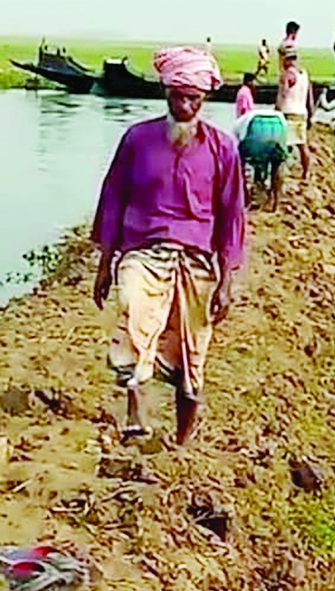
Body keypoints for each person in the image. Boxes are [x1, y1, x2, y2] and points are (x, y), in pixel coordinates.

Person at [91, 46, 245, 446]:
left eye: (193, 98)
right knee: (134, 318)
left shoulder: (222, 148)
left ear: (204, 99)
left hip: (196, 262)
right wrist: (105, 262)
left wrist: (227, 280)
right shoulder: (137, 140)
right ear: (166, 95)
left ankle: (182, 441)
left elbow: (232, 216)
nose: (185, 105)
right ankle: (136, 413)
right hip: (143, 251)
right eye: (178, 96)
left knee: (191, 354)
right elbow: (113, 199)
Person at [234, 108, 288, 211]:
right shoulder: (244, 120)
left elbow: (235, 154)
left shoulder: (237, 124)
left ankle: (246, 200)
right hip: (279, 124)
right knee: (276, 165)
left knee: (240, 166)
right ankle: (275, 202)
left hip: (255, 126)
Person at [276, 49, 312, 179]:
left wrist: (276, 111)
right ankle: (305, 173)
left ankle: (282, 174)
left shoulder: (287, 75)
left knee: (282, 146)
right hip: (301, 113)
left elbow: (282, 95)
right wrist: (310, 114)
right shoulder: (304, 75)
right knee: (302, 145)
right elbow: (310, 97)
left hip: (288, 112)